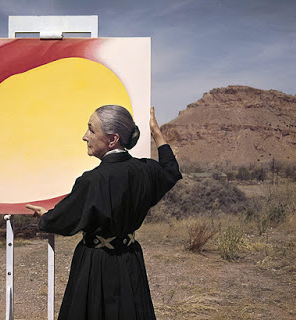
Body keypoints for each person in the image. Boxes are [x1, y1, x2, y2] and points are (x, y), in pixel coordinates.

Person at [26, 105, 182, 320]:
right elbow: (171, 171)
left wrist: (45, 217)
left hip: (96, 264)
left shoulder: (93, 180)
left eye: (91, 130)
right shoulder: (146, 170)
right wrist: (156, 132)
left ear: (112, 139)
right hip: (131, 259)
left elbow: (61, 221)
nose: (84, 136)